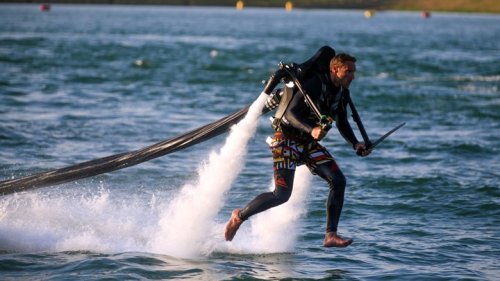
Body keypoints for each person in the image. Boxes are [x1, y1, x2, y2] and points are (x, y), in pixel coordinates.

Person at [224, 50, 371, 248]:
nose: (353, 76)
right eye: (349, 71)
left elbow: (342, 121)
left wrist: (356, 143)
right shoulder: (316, 84)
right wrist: (313, 130)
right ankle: (238, 217)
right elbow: (291, 114)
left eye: (354, 72)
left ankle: (330, 235)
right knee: (282, 195)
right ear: (335, 69)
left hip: (308, 144)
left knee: (338, 181)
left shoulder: (342, 92)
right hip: (286, 139)